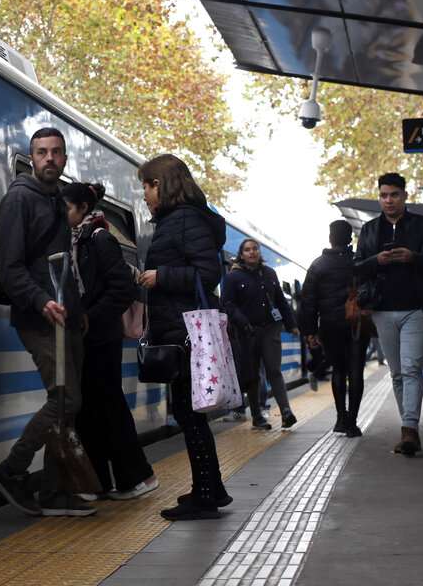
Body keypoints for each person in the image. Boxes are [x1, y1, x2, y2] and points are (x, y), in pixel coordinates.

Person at [0, 128, 95, 517]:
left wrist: (77, 311)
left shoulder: (54, 200)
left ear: (64, 159)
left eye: (56, 153)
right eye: (41, 152)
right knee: (66, 398)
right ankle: (12, 469)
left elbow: (62, 264)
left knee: (66, 406)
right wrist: (42, 301)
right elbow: (12, 267)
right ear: (31, 158)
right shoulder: (19, 199)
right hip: (37, 317)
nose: (49, 158)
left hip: (64, 316)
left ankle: (54, 491)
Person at [137, 153, 229, 520]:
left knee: (190, 416)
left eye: (146, 185)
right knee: (189, 415)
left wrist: (161, 277)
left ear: (160, 184)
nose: (144, 194)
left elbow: (207, 273)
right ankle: (208, 489)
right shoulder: (175, 221)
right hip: (177, 330)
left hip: (185, 333)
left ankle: (207, 494)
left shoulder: (186, 219)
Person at [62, 181, 159, 500]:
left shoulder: (100, 239)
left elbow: (122, 288)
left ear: (82, 209)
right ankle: (98, 480)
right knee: (90, 406)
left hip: (102, 336)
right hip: (87, 337)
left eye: (67, 208)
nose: (62, 214)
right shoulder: (77, 240)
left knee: (109, 405)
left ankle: (138, 476)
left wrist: (91, 316)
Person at [354, 173, 423, 457]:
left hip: (416, 308)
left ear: (404, 196)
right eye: (383, 195)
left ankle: (410, 430)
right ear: (379, 197)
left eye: (394, 195)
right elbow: (357, 268)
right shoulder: (369, 230)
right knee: (396, 373)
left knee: (411, 367)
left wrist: (413, 257)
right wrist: (376, 261)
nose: (388, 200)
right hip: (382, 310)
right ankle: (407, 425)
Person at [300, 220, 368, 438]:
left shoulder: (318, 265)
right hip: (356, 323)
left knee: (339, 370)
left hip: (330, 326)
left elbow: (308, 302)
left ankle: (340, 418)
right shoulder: (359, 262)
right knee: (356, 371)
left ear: (330, 237)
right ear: (350, 238)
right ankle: (353, 423)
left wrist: (310, 332)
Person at [222, 238, 298, 430]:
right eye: (247, 250)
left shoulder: (270, 274)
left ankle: (286, 412)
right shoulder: (233, 277)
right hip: (247, 333)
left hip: (270, 329)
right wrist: (242, 322)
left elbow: (281, 301)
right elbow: (227, 304)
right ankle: (257, 417)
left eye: (255, 249)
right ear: (242, 254)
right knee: (253, 374)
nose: (252, 252)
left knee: (274, 370)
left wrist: (291, 325)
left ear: (259, 252)